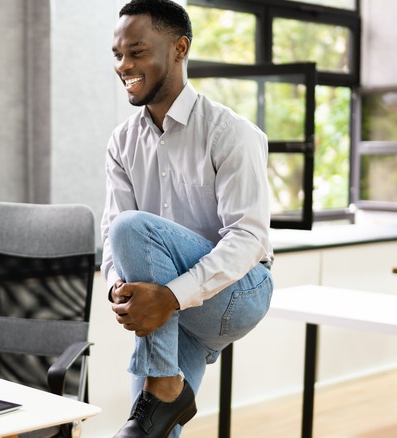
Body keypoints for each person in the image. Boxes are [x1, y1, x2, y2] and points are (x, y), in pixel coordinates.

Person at [101, 1, 274, 437]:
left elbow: (248, 239)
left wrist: (171, 297)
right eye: (118, 55)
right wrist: (116, 286)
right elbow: (109, 234)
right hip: (172, 309)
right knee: (149, 429)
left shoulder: (231, 133)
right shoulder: (122, 142)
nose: (125, 65)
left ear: (179, 48)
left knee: (132, 228)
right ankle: (166, 389)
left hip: (237, 293)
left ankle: (163, 382)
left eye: (137, 52)